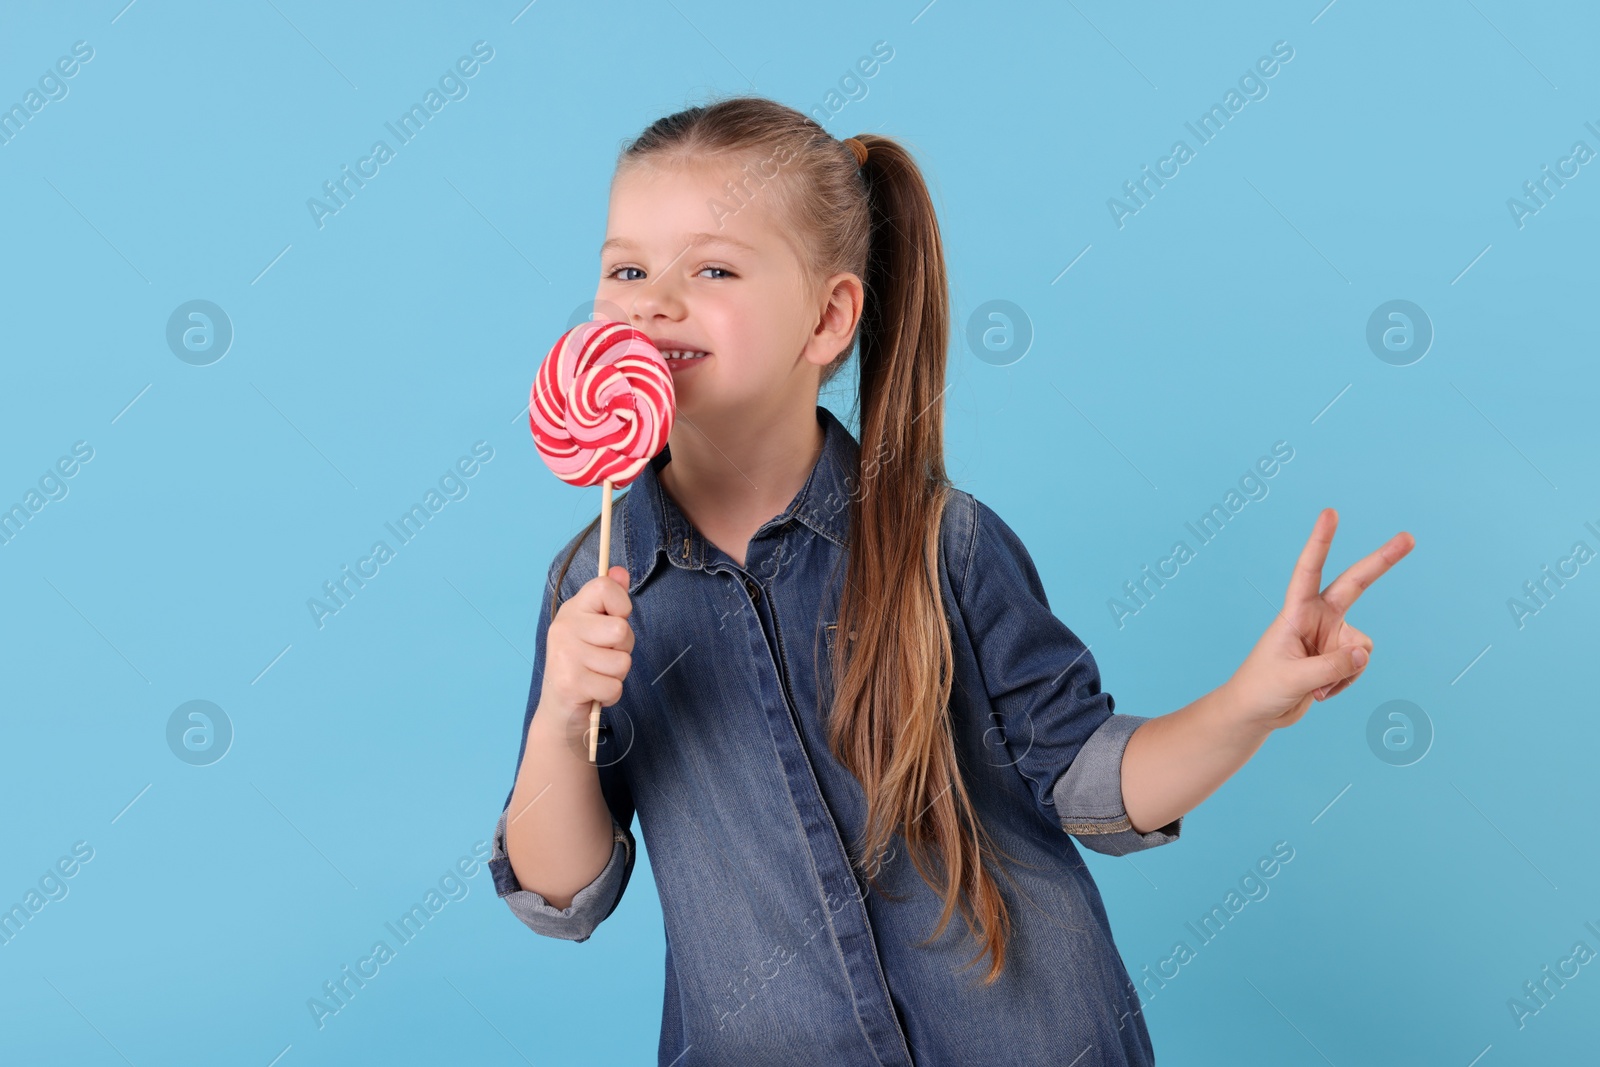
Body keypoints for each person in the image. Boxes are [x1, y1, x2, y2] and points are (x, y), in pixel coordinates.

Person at [488, 95, 1415, 1066]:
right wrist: (561, 716)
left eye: (711, 267)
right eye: (626, 267)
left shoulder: (943, 542)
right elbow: (565, 891)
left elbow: (1089, 780)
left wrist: (1249, 701)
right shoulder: (597, 586)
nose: (653, 300)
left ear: (827, 316)